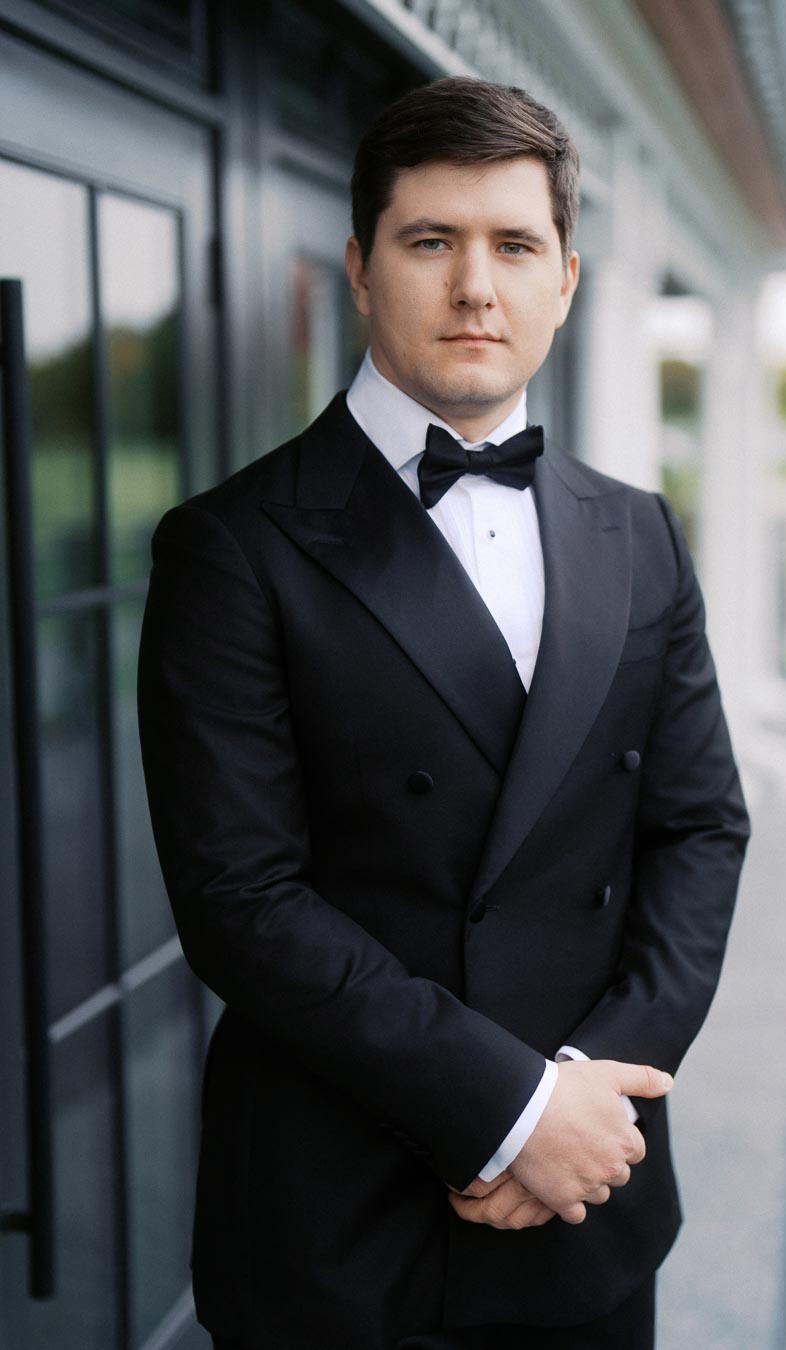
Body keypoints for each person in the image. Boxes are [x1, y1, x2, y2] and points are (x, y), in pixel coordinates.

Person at [138, 76, 750, 1350]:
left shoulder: (637, 532)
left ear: (567, 280)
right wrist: (510, 1109)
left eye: (515, 246)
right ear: (361, 269)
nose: (478, 286)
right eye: (433, 241)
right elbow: (240, 899)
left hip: (592, 1195)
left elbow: (698, 831)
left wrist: (586, 1099)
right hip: (339, 1216)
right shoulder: (230, 546)